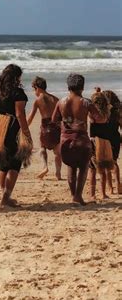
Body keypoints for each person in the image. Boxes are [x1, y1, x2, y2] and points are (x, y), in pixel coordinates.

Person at [52, 74, 102, 205]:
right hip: (81, 140)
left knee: (71, 167)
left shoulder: (61, 102)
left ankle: (74, 195)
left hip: (65, 141)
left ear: (68, 87)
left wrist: (65, 125)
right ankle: (78, 196)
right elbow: (99, 118)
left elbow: (54, 120)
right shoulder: (86, 102)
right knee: (84, 167)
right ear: (82, 87)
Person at [0, 64, 32, 207]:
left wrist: (0, 120)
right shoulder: (18, 93)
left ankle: (5, 195)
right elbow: (19, 114)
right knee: (15, 164)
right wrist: (26, 133)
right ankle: (6, 198)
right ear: (16, 77)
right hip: (13, 130)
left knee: (4, 165)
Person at [27, 76, 62, 180]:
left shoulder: (38, 101)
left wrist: (23, 127)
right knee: (57, 153)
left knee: (42, 148)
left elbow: (30, 118)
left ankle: (45, 167)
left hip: (45, 128)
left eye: (34, 89)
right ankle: (58, 172)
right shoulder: (56, 99)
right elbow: (61, 116)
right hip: (56, 127)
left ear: (37, 87)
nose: (34, 92)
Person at [88, 91, 114, 200]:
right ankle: (103, 193)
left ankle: (92, 194)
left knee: (92, 170)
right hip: (106, 142)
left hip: (95, 142)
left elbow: (90, 120)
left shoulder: (92, 114)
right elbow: (109, 105)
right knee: (104, 169)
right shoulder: (107, 112)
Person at [102, 89, 121, 194]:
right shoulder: (118, 111)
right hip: (116, 137)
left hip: (105, 138)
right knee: (114, 162)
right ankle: (118, 184)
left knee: (106, 164)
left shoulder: (104, 111)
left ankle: (110, 188)